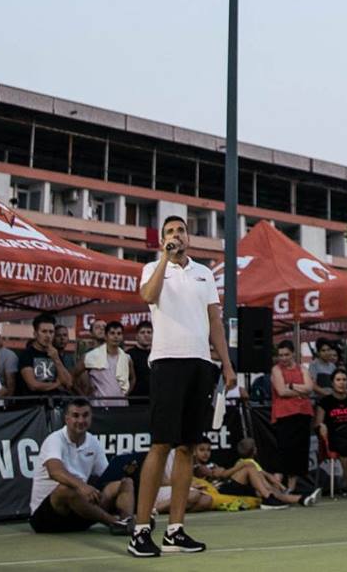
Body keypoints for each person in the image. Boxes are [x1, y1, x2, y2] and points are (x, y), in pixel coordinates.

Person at [131, 213, 236, 558]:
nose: (176, 235)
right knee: (161, 445)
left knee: (188, 448)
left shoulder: (204, 273)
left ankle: (175, 531)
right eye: (170, 232)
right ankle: (141, 529)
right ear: (162, 239)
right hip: (166, 362)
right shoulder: (152, 268)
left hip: (200, 364)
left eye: (180, 231)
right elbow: (148, 295)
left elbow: (214, 321)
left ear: (189, 237)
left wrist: (227, 364)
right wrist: (165, 257)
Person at [30, 397, 134, 536]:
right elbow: (54, 472)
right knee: (65, 489)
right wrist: (82, 486)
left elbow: (106, 477)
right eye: (75, 416)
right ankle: (115, 523)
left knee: (125, 482)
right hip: (47, 518)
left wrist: (124, 472)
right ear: (66, 418)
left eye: (85, 415)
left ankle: (127, 521)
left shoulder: (93, 441)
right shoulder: (54, 439)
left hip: (80, 512)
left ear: (91, 418)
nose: (80, 420)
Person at [194, 438, 316, 508]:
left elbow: (223, 473)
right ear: (194, 451)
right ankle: (268, 498)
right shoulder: (198, 467)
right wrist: (240, 465)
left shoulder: (212, 464)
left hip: (231, 486)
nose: (206, 453)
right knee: (249, 466)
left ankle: (301, 499)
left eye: (208, 450)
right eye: (202, 450)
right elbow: (222, 475)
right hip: (219, 490)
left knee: (261, 484)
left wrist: (225, 471)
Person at [268, 342, 316, 483]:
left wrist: (291, 386)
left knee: (299, 452)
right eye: (281, 355)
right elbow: (281, 391)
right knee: (285, 451)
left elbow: (309, 388)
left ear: (293, 354)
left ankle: (292, 486)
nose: (283, 358)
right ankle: (279, 486)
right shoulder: (276, 369)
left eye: (286, 354)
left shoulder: (303, 369)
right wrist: (300, 392)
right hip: (284, 414)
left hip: (303, 413)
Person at [317, 368, 347, 494]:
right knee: (344, 445)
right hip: (335, 434)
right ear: (332, 383)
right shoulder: (325, 402)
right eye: (338, 380)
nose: (342, 383)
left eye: (344, 380)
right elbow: (318, 423)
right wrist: (322, 427)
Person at [18, 313, 74, 398]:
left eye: (51, 332)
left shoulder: (54, 353)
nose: (48, 335)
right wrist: (57, 384)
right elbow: (33, 385)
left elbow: (68, 383)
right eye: (44, 331)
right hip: (32, 407)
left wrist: (56, 359)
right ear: (35, 334)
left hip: (54, 405)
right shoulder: (27, 354)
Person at [83, 321, 134, 405]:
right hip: (99, 408)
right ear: (106, 336)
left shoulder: (127, 358)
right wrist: (84, 396)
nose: (116, 336)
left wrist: (125, 393)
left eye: (119, 333)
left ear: (122, 337)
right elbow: (74, 376)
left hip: (121, 406)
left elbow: (132, 378)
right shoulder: (91, 356)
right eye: (112, 333)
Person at [124, 322, 153, 402]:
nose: (146, 335)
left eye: (149, 332)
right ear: (136, 336)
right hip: (134, 400)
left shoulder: (157, 354)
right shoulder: (128, 355)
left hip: (153, 400)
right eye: (142, 332)